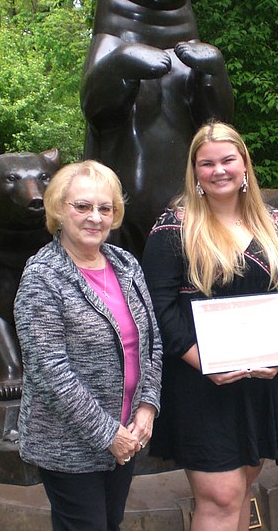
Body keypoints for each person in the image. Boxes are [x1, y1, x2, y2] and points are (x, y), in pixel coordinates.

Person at [141, 121, 278, 531]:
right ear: (195, 172)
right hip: (201, 384)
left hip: (264, 381)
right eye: (207, 163)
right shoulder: (173, 229)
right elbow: (159, 308)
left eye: (227, 160)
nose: (218, 170)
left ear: (244, 165)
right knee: (220, 496)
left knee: (242, 490)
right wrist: (204, 362)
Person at [14, 160, 163, 531]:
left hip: (127, 437)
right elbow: (50, 371)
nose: (94, 217)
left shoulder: (126, 264)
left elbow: (152, 344)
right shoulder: (42, 278)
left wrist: (147, 407)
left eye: (105, 208)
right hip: (70, 446)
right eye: (82, 206)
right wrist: (106, 433)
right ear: (58, 211)